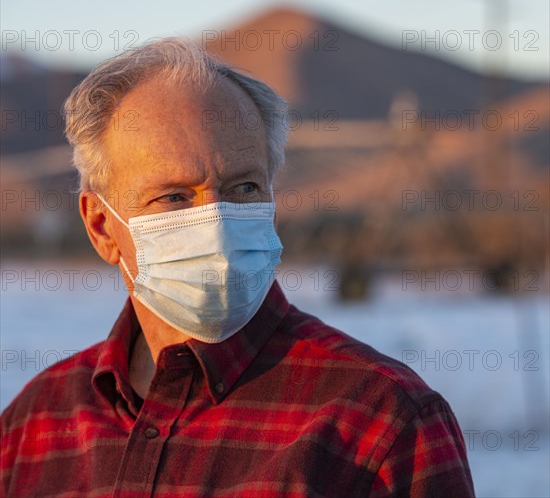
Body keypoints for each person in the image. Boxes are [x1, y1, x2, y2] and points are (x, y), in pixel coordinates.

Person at [1, 38, 475, 497]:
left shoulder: (382, 421)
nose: (217, 221)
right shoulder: (33, 424)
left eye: (244, 188)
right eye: (174, 196)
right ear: (102, 227)